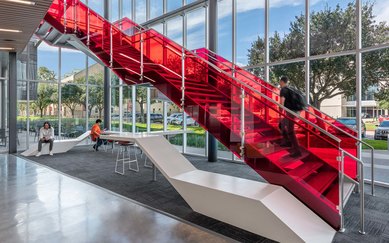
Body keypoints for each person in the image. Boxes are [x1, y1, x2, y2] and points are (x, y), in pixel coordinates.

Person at [279, 76, 302, 158]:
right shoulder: (291, 89)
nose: (279, 83)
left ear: (282, 81)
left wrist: (279, 111)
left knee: (290, 131)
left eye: (279, 82)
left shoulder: (283, 90)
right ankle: (287, 141)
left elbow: (281, 102)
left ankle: (297, 151)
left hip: (291, 112)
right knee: (281, 124)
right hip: (297, 111)